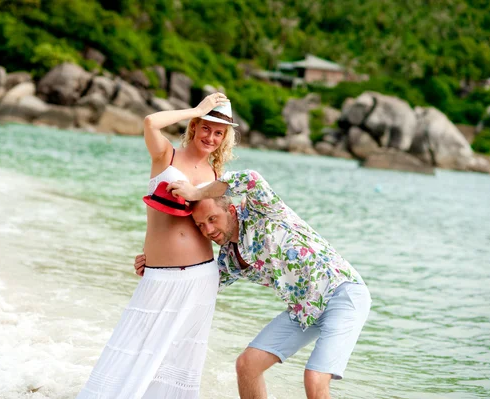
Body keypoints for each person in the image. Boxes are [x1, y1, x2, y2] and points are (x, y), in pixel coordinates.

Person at [135, 170, 371, 399]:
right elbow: (195, 286)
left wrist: (196, 193)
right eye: (200, 225)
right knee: (247, 365)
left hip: (341, 292)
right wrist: (155, 266)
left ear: (230, 210)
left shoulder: (260, 210)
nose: (208, 230)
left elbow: (250, 178)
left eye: (212, 219)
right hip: (304, 309)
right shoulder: (228, 259)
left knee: (315, 378)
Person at [76, 93, 239, 399]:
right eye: (205, 128)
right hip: (158, 274)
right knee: (133, 346)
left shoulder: (216, 176)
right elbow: (151, 122)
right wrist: (198, 109)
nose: (211, 137)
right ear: (194, 127)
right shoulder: (166, 156)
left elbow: (214, 226)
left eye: (219, 133)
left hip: (200, 277)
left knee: (179, 355)